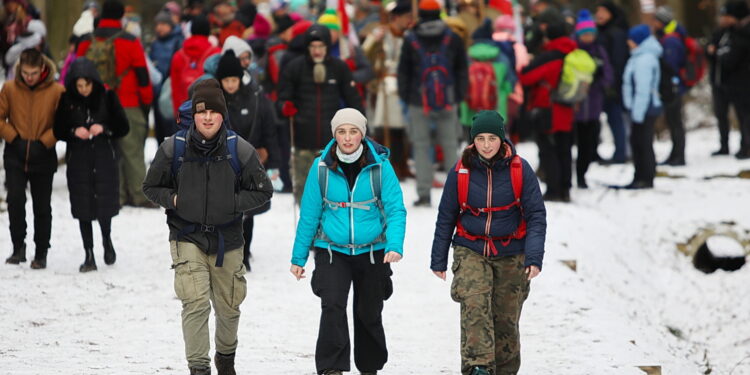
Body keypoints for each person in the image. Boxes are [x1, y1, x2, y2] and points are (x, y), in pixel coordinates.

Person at [143, 79, 273, 375]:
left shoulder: (239, 149)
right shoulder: (172, 148)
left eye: (214, 111)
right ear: (195, 114)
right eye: (202, 112)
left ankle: (225, 359)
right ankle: (198, 368)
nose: (208, 117)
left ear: (222, 114)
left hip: (228, 238)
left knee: (229, 308)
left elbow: (264, 191)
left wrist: (233, 202)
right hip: (186, 235)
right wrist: (173, 199)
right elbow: (150, 186)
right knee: (196, 302)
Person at [290, 108, 406, 375]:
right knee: (332, 305)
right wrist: (298, 258)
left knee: (369, 312)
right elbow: (309, 214)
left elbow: (396, 209)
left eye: (353, 131)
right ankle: (331, 368)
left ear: (362, 134)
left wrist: (394, 245)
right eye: (341, 131)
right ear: (335, 134)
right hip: (332, 250)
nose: (348, 137)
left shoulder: (381, 166)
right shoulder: (320, 167)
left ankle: (370, 367)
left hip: (372, 250)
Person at [430, 110, 546, 375]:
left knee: (505, 318)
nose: (486, 145)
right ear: (472, 141)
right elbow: (446, 215)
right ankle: (477, 368)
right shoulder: (460, 171)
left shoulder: (520, 169)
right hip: (470, 248)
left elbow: (536, 215)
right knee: (475, 308)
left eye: (492, 138)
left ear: (502, 139)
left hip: (511, 250)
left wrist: (534, 257)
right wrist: (438, 258)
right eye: (480, 138)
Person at [53, 58, 129, 272]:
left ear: (94, 82)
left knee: (104, 204)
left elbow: (123, 126)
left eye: (87, 85)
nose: (84, 89)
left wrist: (104, 128)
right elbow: (58, 129)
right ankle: (88, 253)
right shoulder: (67, 100)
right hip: (79, 160)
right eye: (79, 86)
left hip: (104, 158)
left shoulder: (107, 97)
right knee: (82, 207)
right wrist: (73, 131)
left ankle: (107, 239)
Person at [76, 0, 154, 208]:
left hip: (97, 104)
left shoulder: (86, 41)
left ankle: (114, 195)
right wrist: (146, 100)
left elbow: (76, 72)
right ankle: (138, 194)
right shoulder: (130, 41)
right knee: (132, 150)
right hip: (127, 101)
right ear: (121, 17)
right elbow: (142, 74)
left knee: (106, 151)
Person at [277, 25, 363, 204]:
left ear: (328, 47)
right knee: (304, 192)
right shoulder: (295, 68)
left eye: (321, 46)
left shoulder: (339, 67)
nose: (317, 51)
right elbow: (281, 99)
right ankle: (308, 230)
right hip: (302, 141)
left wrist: (358, 125)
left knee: (333, 191)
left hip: (333, 144)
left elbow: (354, 100)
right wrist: (285, 106)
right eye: (313, 47)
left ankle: (328, 230)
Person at [397, 0, 468, 207]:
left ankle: (424, 193)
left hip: (419, 101)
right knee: (450, 146)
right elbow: (462, 69)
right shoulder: (452, 37)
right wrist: (458, 95)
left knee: (421, 147)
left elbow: (404, 71)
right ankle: (458, 195)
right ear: (440, 14)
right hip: (447, 98)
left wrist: (407, 96)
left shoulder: (411, 39)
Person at [216, 50, 282, 271]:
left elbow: (269, 130)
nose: (231, 84)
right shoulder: (214, 102)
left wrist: (273, 162)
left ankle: (244, 253)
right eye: (226, 80)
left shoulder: (255, 99)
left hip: (250, 162)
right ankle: (226, 251)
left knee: (248, 209)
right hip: (222, 164)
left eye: (234, 79)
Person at [0, 48, 65, 268]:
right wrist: (13, 137)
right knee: (15, 200)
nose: (29, 77)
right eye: (26, 73)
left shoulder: (57, 91)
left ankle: (41, 251)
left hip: (43, 155)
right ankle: (18, 247)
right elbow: (0, 118)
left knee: (42, 206)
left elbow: (62, 123)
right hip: (15, 154)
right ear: (20, 69)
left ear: (42, 69)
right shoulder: (9, 88)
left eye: (34, 73)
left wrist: (45, 141)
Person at [520, 21, 577, 202]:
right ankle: (566, 189)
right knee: (564, 149)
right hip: (567, 108)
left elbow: (527, 77)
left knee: (548, 149)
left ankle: (553, 190)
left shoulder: (550, 55)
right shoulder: (574, 53)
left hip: (548, 108)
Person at [362, 0, 413, 180]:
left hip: (403, 86)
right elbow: (365, 54)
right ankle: (385, 165)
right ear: (397, 17)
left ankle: (401, 164)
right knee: (384, 130)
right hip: (383, 87)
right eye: (407, 17)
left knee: (402, 129)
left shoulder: (409, 35)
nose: (409, 20)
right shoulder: (381, 33)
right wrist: (374, 40)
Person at [574, 10, 613, 188]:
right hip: (576, 107)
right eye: (584, 34)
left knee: (589, 144)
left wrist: (597, 82)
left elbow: (608, 75)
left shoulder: (599, 51)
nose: (588, 37)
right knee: (576, 144)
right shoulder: (573, 51)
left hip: (594, 105)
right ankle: (576, 176)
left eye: (590, 34)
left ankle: (583, 173)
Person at [622, 25, 662, 189]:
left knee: (642, 143)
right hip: (641, 109)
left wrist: (637, 114)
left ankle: (645, 177)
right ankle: (640, 176)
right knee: (639, 142)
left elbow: (642, 89)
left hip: (644, 109)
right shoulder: (639, 56)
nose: (628, 42)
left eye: (630, 39)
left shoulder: (644, 59)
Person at [595, 0, 630, 164]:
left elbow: (618, 61)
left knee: (616, 119)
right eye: (598, 11)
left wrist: (613, 84)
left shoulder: (615, 33)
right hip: (604, 83)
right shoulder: (601, 32)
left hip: (613, 84)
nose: (599, 15)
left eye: (603, 11)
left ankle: (621, 153)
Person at [652, 6, 687, 166]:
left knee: (675, 121)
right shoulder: (667, 36)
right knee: (673, 122)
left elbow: (671, 65)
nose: (653, 23)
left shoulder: (671, 39)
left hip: (673, 87)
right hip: (672, 86)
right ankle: (675, 154)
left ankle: (679, 156)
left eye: (656, 20)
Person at [716, 0, 750, 159]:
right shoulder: (731, 31)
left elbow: (730, 57)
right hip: (736, 83)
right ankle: (744, 145)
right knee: (741, 115)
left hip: (743, 82)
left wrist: (721, 54)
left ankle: (747, 146)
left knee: (745, 115)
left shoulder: (743, 33)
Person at [150, 10, 184, 145]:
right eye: (157, 24)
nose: (160, 27)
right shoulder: (155, 44)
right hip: (157, 92)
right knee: (160, 131)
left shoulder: (179, 41)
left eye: (163, 23)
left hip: (171, 91)